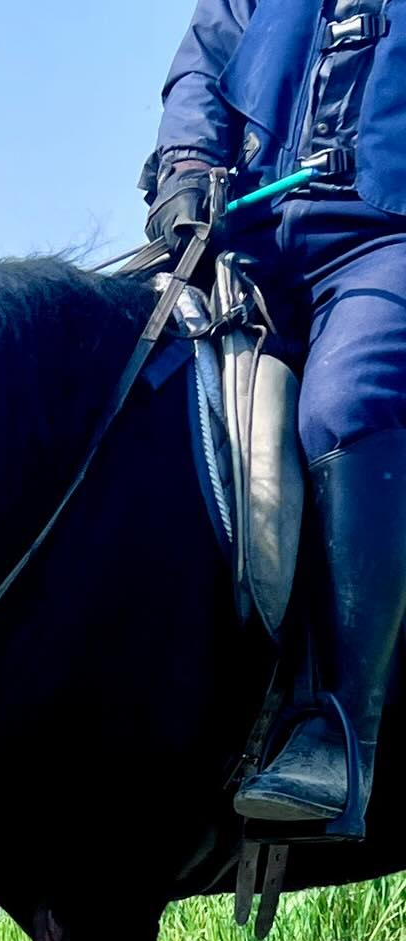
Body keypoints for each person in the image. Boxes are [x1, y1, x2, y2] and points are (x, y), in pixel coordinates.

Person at [143, 0, 406, 838]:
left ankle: (339, 731)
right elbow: (205, 59)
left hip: (384, 238)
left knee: (343, 407)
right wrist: (186, 161)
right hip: (247, 230)